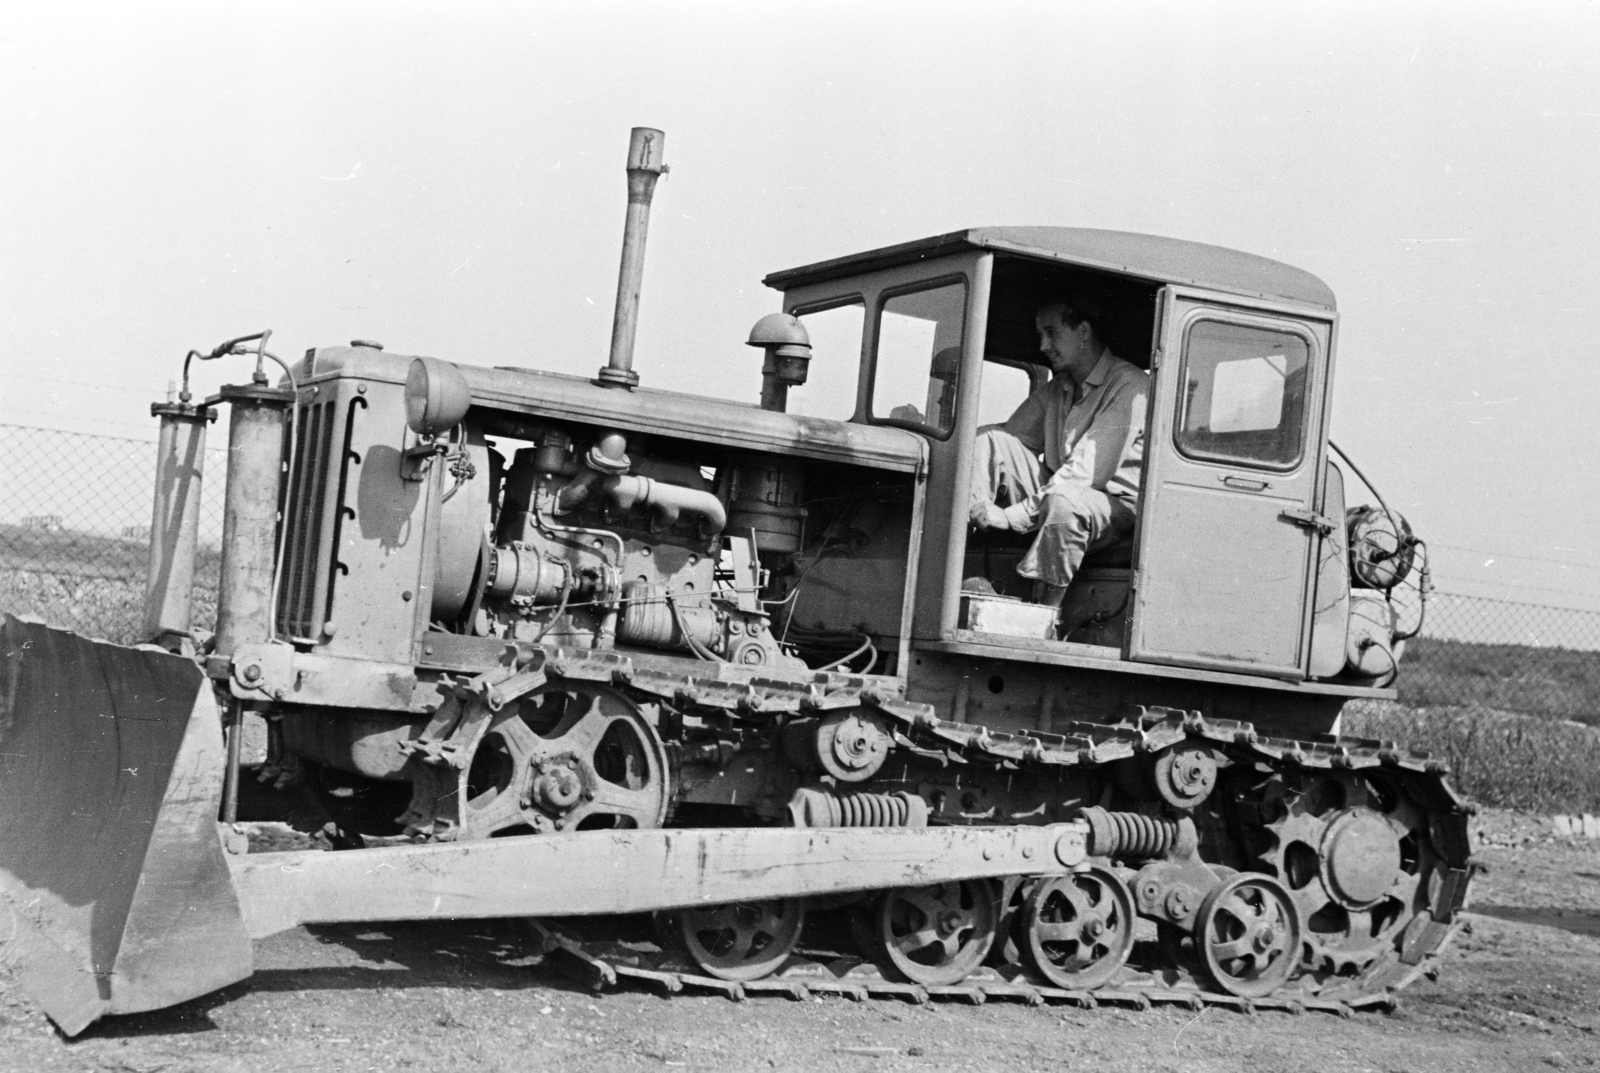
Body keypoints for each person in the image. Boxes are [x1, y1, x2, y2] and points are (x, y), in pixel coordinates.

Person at [969, 297, 1148, 609]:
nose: (1043, 345)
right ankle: (958, 567)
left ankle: (1044, 616)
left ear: (1083, 332)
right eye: (1040, 335)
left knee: (1065, 500)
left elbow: (1088, 471)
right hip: (1060, 491)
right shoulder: (1059, 388)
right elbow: (1008, 438)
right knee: (989, 442)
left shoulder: (1131, 386)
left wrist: (1011, 516)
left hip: (1115, 509)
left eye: (1051, 333)